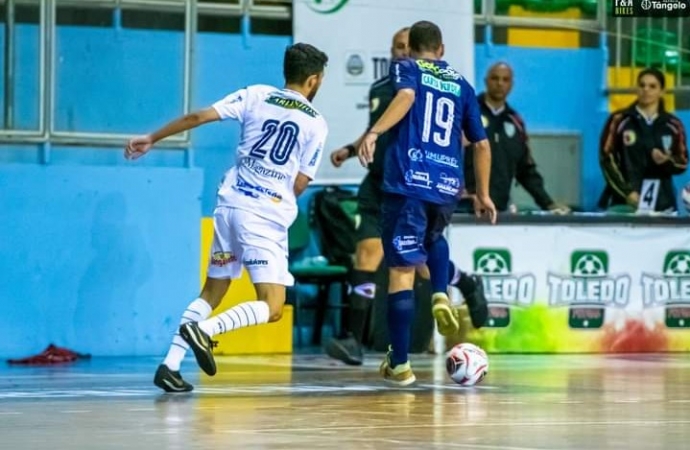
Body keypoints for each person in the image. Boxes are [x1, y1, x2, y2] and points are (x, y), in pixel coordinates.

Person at [125, 43, 329, 392]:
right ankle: (206, 331)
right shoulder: (315, 123)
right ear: (313, 80)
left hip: (228, 207)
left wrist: (152, 137)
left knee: (212, 291)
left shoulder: (256, 94)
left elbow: (198, 117)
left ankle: (170, 366)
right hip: (263, 217)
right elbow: (299, 183)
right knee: (273, 305)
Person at [326, 28, 488, 366]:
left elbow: (429, 121)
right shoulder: (383, 86)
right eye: (396, 48)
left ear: (414, 49)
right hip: (380, 182)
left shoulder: (414, 78)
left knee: (417, 267)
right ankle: (354, 339)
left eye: (405, 47)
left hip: (409, 182)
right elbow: (383, 127)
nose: (402, 53)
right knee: (369, 253)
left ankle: (462, 282)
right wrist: (351, 149)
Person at [464, 62, 568, 214]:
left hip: (498, 210)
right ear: (486, 81)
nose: (500, 84)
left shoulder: (516, 122)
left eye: (505, 80)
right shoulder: (468, 112)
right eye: (495, 78)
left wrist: (548, 203)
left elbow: (526, 170)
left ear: (511, 85)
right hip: (464, 208)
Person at [599, 67, 688, 212]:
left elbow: (682, 162)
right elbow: (607, 159)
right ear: (636, 89)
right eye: (642, 85)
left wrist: (667, 161)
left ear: (662, 91)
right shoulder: (619, 120)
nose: (646, 89)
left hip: (663, 203)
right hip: (624, 203)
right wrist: (627, 192)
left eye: (652, 86)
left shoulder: (673, 124)